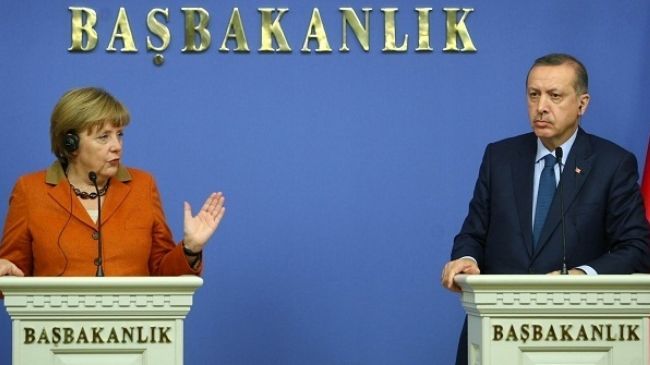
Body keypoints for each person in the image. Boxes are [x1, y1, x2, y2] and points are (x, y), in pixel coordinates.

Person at [440, 53, 650, 364]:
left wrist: (582, 274)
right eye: (534, 94)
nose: (541, 107)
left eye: (555, 96)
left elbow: (636, 248)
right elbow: (474, 232)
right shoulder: (500, 157)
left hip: (576, 333)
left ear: (582, 104)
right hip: (497, 330)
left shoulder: (613, 164)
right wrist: (466, 259)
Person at [0, 87, 226, 277]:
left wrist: (191, 248)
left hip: (133, 328)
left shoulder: (142, 186)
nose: (117, 145)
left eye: (119, 135)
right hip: (56, 329)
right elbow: (12, 273)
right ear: (71, 143)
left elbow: (161, 274)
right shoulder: (30, 190)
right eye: (103, 137)